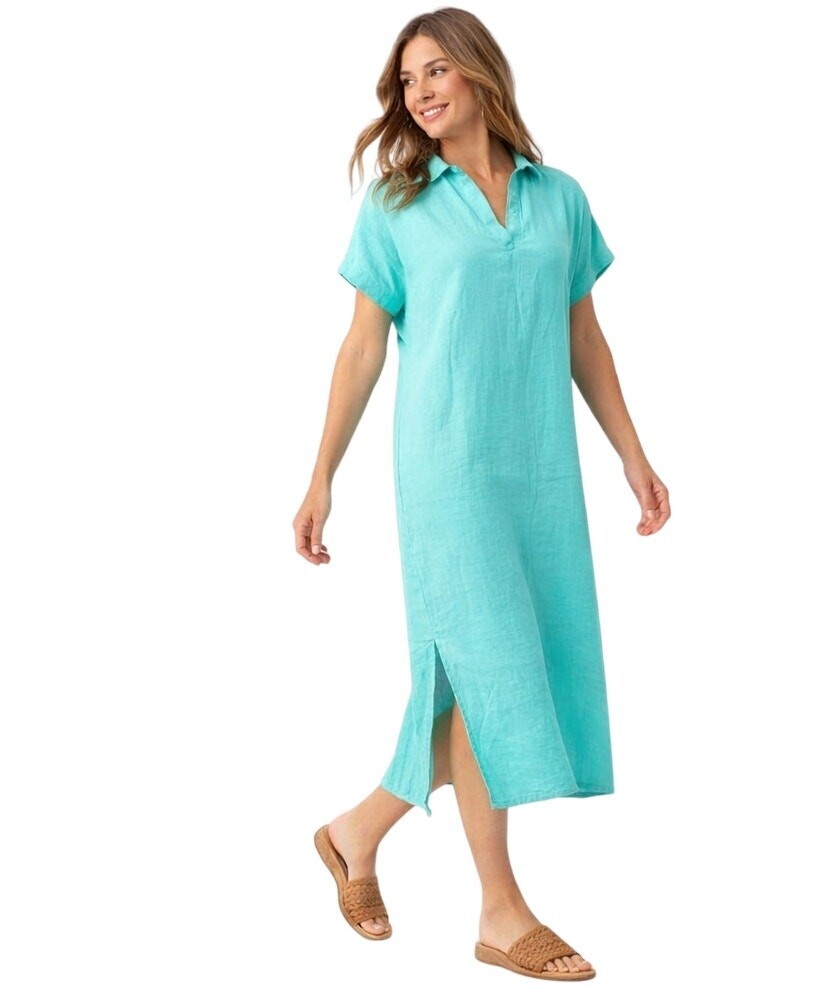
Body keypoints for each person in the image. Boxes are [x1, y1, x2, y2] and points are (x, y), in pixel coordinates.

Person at [292, 7, 670, 982]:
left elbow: (583, 336)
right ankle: (501, 911)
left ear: (479, 74)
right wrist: (322, 474)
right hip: (447, 469)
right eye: (406, 79)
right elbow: (363, 348)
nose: (419, 92)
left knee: (483, 675)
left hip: (540, 470)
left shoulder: (559, 198)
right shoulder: (397, 203)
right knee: (483, 668)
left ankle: (355, 831)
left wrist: (632, 455)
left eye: (435, 72)